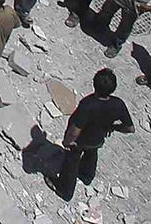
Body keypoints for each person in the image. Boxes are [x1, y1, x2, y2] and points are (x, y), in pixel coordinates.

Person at [53, 68, 133, 197]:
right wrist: (113, 128)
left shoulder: (87, 105)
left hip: (80, 141)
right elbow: (130, 128)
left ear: (94, 84)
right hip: (98, 139)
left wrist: (67, 142)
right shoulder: (118, 104)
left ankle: (65, 190)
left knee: (71, 163)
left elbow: (75, 131)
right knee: (91, 154)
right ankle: (86, 176)